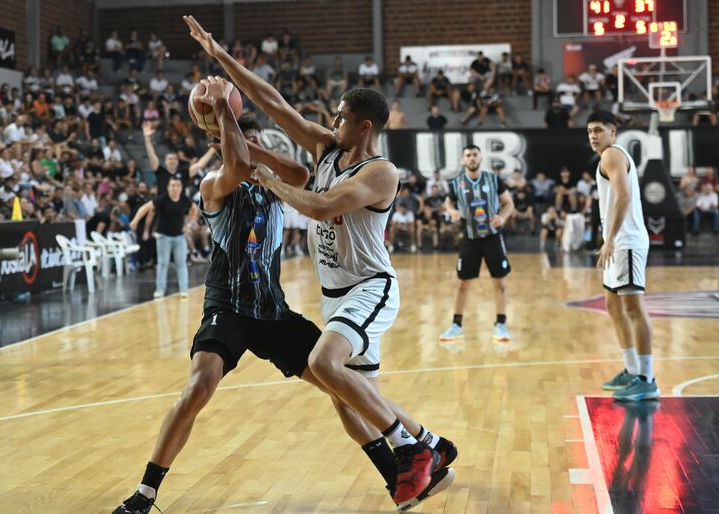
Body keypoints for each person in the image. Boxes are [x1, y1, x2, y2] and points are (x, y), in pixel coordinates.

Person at [113, 76, 453, 514]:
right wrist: (225, 118)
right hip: (228, 307)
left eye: (253, 141)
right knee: (200, 384)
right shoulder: (215, 185)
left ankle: (417, 457)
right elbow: (237, 165)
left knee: (341, 386)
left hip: (272, 310)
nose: (249, 148)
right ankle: (145, 493)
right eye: (242, 140)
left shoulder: (275, 183)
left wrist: (247, 140)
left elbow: (298, 173)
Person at [183, 15, 457, 507]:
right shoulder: (328, 148)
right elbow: (274, 102)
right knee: (350, 396)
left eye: (340, 118)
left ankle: (412, 453)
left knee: (322, 362)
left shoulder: (380, 172)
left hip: (371, 286)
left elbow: (322, 205)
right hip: (337, 294)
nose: (331, 123)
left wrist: (270, 180)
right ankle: (434, 444)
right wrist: (219, 56)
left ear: (364, 126)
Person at [588, 110, 659, 402]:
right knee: (612, 303)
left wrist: (610, 239)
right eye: (590, 131)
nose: (593, 135)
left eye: (599, 130)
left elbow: (624, 196)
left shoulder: (612, 155)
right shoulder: (608, 156)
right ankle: (631, 370)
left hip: (625, 241)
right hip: (618, 242)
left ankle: (647, 377)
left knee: (633, 308)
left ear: (613, 132)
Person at [439, 145, 515, 343]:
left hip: (492, 237)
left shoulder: (493, 179)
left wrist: (503, 218)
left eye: (474, 155)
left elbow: (509, 203)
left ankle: (501, 324)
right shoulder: (457, 183)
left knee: (500, 282)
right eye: (468, 155)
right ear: (463, 160)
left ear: (480, 157)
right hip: (469, 238)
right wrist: (452, 211)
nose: (471, 158)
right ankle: (456, 325)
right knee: (463, 283)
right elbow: (448, 202)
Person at [129, 177, 197, 298]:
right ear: (168, 187)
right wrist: (135, 220)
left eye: (178, 185)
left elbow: (195, 210)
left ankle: (184, 289)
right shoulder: (162, 199)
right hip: (163, 237)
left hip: (179, 237)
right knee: (162, 264)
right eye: (172, 185)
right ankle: (160, 289)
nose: (175, 188)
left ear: (181, 188)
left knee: (181, 263)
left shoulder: (184, 199)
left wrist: (188, 224)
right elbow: (145, 208)